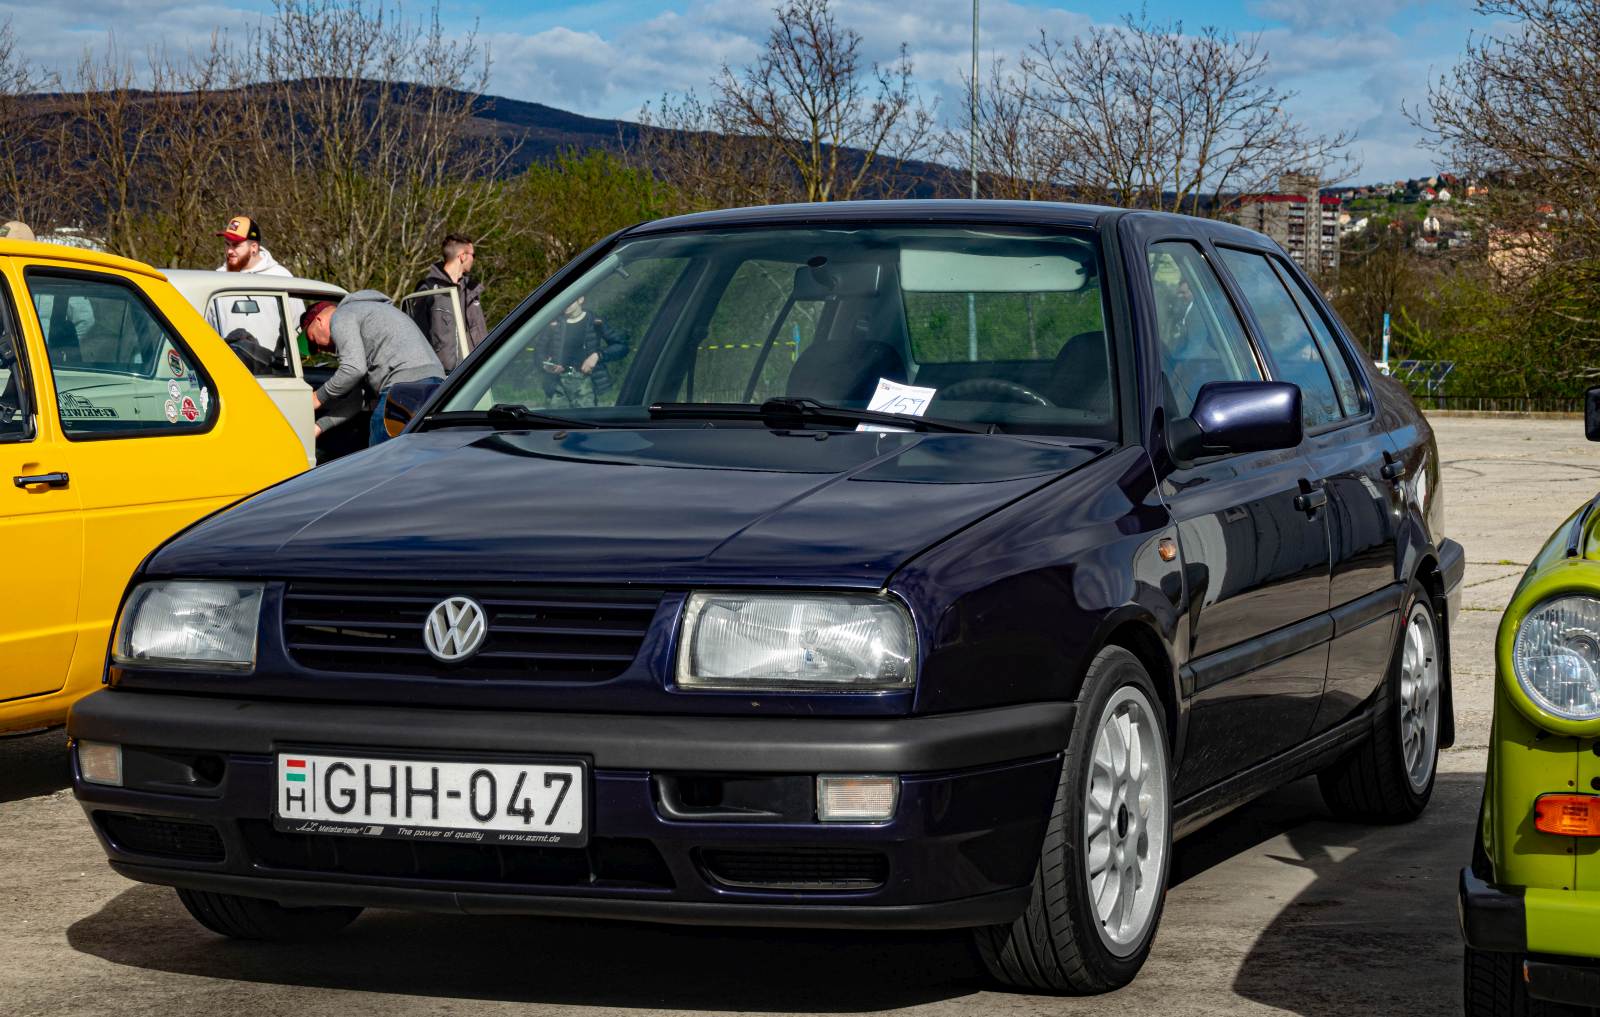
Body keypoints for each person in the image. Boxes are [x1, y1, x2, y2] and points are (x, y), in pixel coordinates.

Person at [300, 292, 444, 446]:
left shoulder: (341, 316)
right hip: (438, 386)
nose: (319, 350)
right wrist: (319, 427)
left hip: (403, 388)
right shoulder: (370, 315)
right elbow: (357, 400)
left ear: (319, 321)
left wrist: (318, 397)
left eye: (312, 340)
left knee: (381, 456)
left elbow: (353, 369)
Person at [206, 215, 303, 361]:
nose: (229, 251)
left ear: (254, 248)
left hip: (274, 370)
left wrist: (285, 362)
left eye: (236, 245)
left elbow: (297, 326)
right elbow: (208, 328)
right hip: (227, 367)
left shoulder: (281, 277)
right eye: (227, 244)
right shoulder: (217, 279)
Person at [410, 233, 488, 372]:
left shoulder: (471, 290)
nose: (474, 259)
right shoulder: (429, 290)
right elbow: (418, 336)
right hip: (445, 375)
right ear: (462, 256)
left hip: (477, 370)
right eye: (473, 255)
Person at [535, 295, 628, 408]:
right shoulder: (554, 324)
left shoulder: (595, 321)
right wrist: (545, 365)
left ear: (581, 299)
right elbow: (539, 351)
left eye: (570, 300)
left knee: (585, 418)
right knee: (554, 418)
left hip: (587, 384)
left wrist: (597, 356)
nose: (566, 304)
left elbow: (621, 346)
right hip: (557, 386)